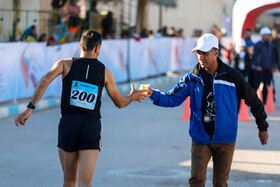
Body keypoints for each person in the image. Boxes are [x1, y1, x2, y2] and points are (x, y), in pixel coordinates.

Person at [15, 30, 147, 187]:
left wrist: (30, 107)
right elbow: (119, 102)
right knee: (85, 182)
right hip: (90, 126)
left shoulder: (65, 64)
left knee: (68, 181)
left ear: (80, 45)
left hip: (68, 124)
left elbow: (45, 80)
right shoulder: (105, 72)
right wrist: (132, 96)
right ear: (97, 48)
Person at [146, 34, 269, 187]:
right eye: (199, 53)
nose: (201, 57)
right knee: (196, 181)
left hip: (226, 139)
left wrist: (262, 127)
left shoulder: (232, 77)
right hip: (200, 139)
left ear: (216, 53)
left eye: (205, 53)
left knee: (220, 183)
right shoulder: (192, 78)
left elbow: (254, 101)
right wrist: (152, 93)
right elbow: (172, 98)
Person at [253, 27, 275, 105]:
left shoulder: (270, 45)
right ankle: (254, 100)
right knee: (257, 85)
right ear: (262, 35)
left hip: (268, 69)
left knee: (267, 85)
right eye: (267, 35)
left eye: (269, 35)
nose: (268, 36)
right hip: (260, 69)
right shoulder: (257, 45)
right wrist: (257, 65)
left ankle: (265, 101)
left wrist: (272, 66)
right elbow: (255, 56)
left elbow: (272, 57)